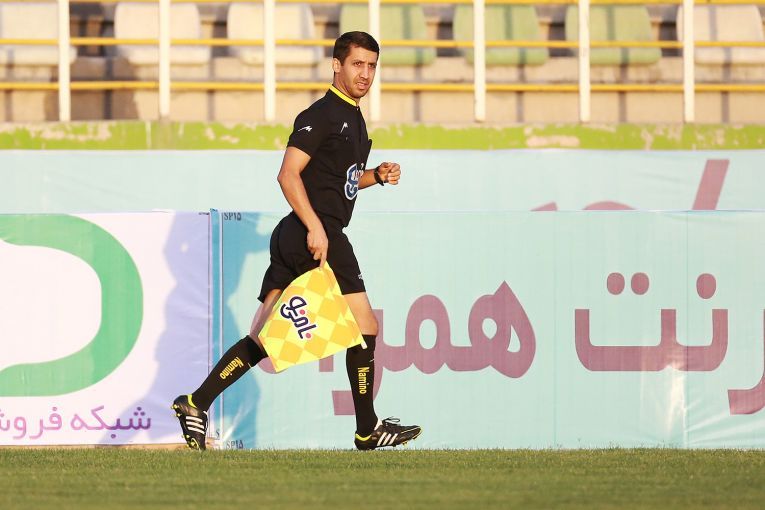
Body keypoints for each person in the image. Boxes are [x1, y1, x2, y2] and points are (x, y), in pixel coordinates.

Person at [172, 31, 422, 451]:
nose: (365, 73)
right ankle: (367, 430)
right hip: (317, 234)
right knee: (365, 327)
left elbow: (338, 182)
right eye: (357, 64)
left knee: (263, 339)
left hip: (295, 234)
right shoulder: (322, 114)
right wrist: (317, 228)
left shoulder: (353, 118)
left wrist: (374, 176)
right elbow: (288, 175)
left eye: (371, 66)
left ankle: (195, 403)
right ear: (336, 65)